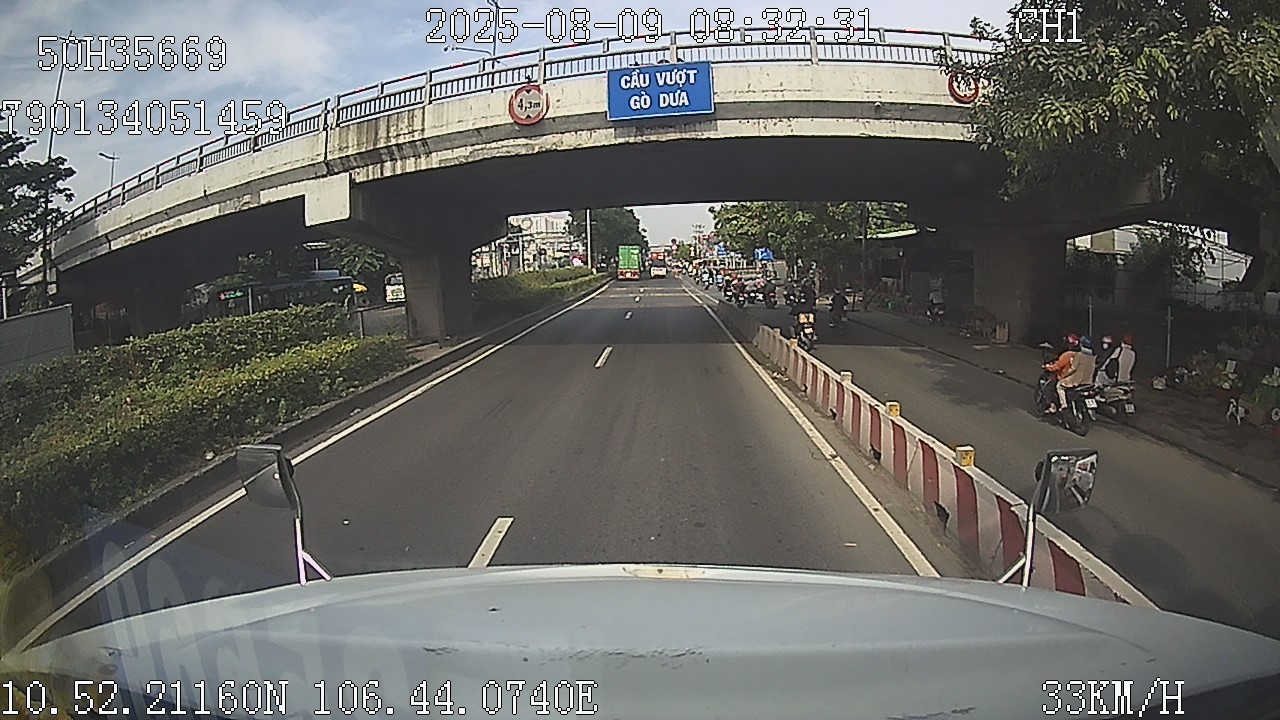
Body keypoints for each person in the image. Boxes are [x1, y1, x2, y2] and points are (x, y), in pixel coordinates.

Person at [1055, 335, 1097, 413]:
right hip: (1088, 382)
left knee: (1059, 385)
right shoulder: (1093, 357)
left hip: (1076, 381)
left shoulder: (1079, 355)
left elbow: (1073, 368)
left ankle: (1064, 405)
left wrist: (1064, 376)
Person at [1042, 333, 1080, 414]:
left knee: (1048, 388)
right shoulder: (1081, 355)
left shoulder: (1066, 355)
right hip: (1078, 379)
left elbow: (1057, 367)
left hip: (1065, 378)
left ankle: (1053, 406)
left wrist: (1047, 367)